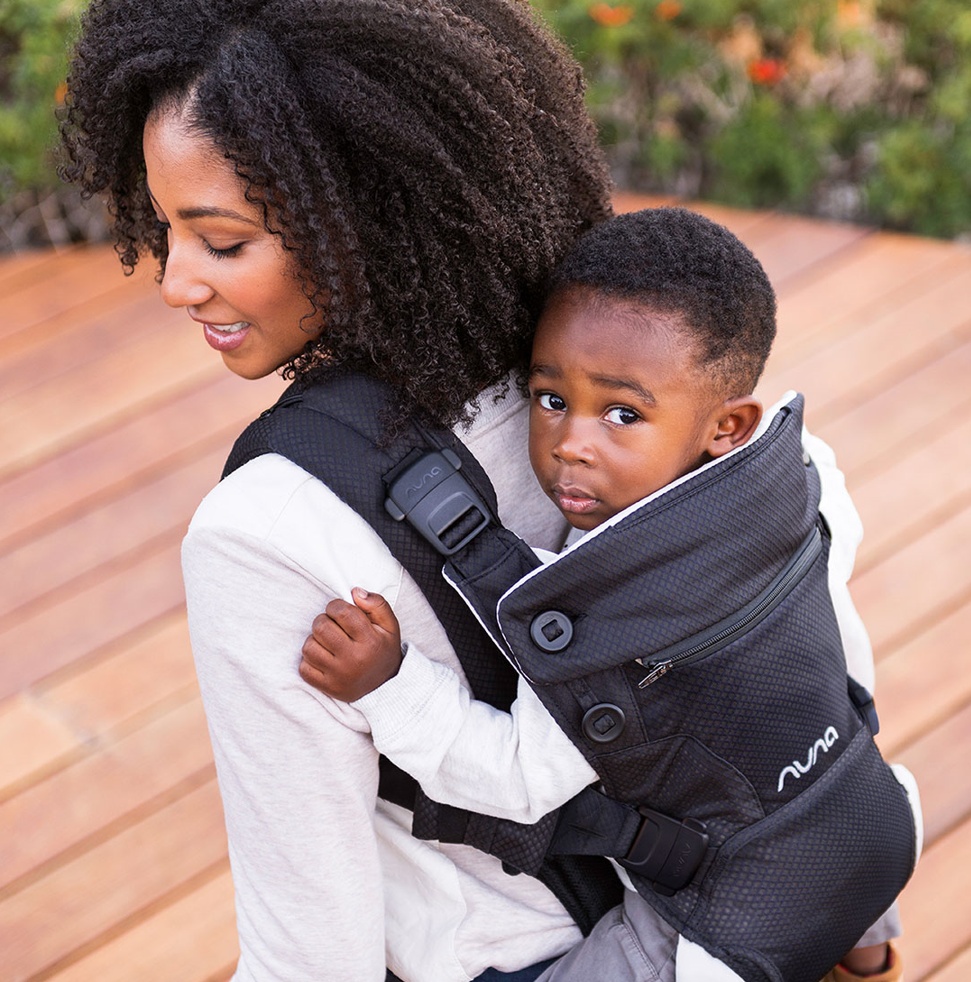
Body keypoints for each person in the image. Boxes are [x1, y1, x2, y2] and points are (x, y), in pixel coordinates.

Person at [59, 1, 622, 979]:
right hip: (703, 921)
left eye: (222, 242)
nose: (174, 281)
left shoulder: (265, 533)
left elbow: (311, 954)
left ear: (366, 223)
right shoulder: (634, 387)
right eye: (163, 225)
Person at [300, 208, 916, 982]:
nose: (570, 444)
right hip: (869, 811)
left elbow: (516, 781)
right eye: (550, 398)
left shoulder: (601, 614)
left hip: (717, 929)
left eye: (622, 414)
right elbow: (837, 634)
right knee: (831, 857)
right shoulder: (802, 474)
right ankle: (862, 959)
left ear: (726, 425)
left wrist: (390, 686)